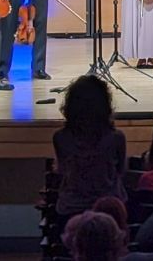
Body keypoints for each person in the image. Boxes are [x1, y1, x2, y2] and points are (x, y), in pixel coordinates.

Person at [52, 75, 127, 225]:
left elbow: (62, 171)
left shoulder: (60, 138)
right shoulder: (116, 138)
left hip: (71, 210)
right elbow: (120, 172)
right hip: (110, 211)